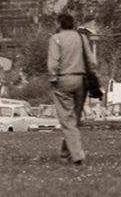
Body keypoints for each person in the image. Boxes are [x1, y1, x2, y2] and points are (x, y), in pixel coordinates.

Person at [47, 12, 95, 165]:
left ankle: (77, 155)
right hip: (81, 80)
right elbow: (92, 60)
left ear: (59, 24)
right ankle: (65, 153)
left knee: (67, 120)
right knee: (75, 118)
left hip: (63, 79)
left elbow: (53, 63)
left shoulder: (56, 39)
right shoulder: (81, 38)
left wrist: (53, 78)